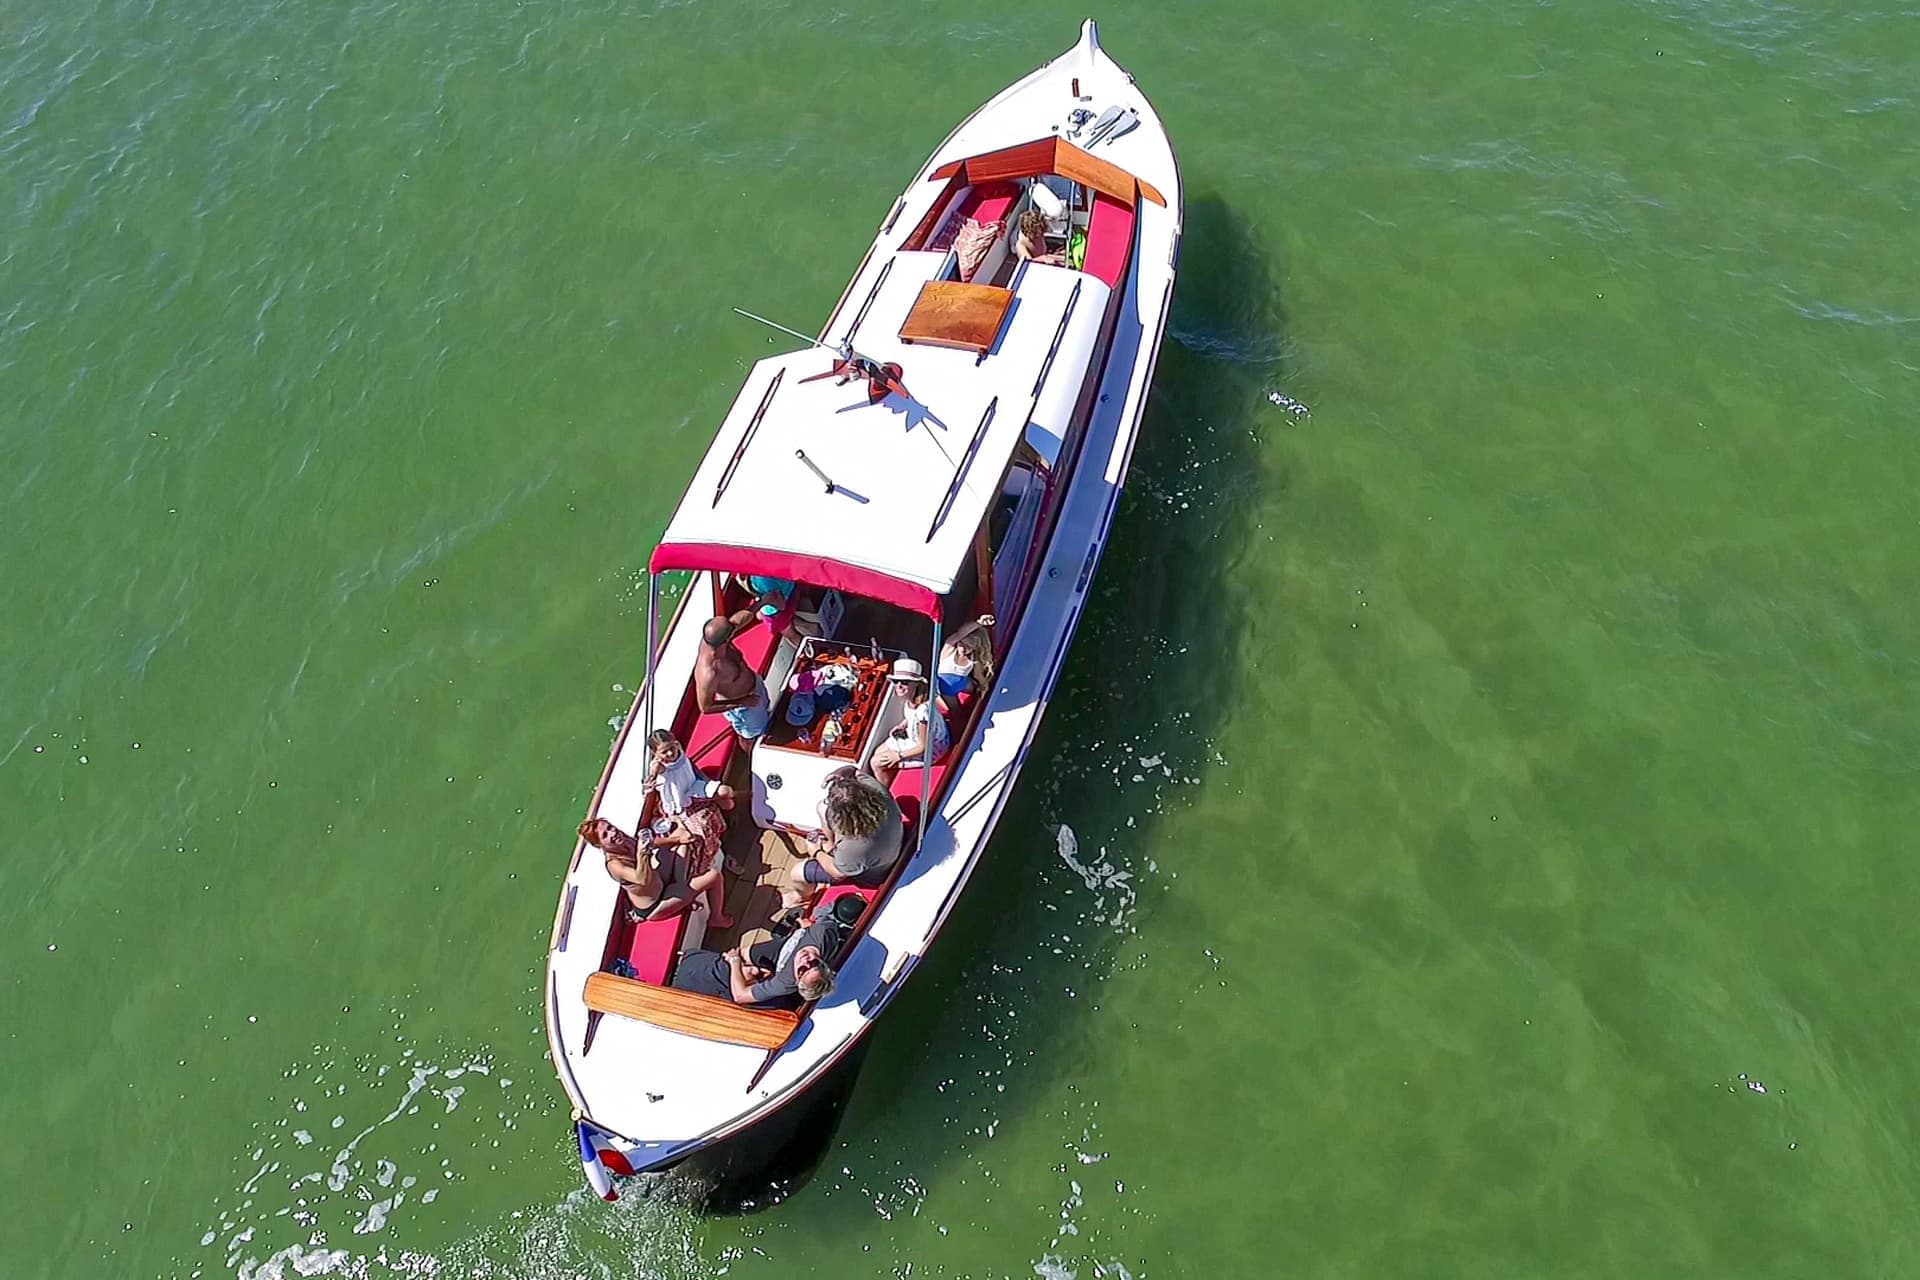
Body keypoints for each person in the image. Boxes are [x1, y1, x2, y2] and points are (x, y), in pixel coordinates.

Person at [642, 730, 734, 929]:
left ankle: (723, 842)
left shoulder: (680, 754)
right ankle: (701, 869)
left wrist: (709, 787)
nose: (670, 754)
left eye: (671, 748)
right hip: (678, 806)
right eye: (664, 752)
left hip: (693, 790)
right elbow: (652, 778)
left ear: (676, 744)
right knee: (699, 830)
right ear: (656, 754)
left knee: (727, 797)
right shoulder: (659, 766)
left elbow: (692, 769)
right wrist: (652, 775)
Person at [784, 767, 904, 910]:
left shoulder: (853, 847)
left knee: (797, 873)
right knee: (821, 808)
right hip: (893, 843)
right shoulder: (877, 792)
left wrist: (816, 851)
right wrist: (842, 772)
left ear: (843, 816)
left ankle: (801, 897)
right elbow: (853, 771)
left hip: (873, 874)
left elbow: (838, 873)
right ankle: (831, 844)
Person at [671, 916, 838, 1010]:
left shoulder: (785, 982)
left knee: (729, 967)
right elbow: (826, 916)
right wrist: (806, 927)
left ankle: (682, 973)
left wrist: (735, 961)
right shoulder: (823, 935)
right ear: (822, 962)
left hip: (780, 958)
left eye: (802, 970)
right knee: (744, 955)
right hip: (788, 944)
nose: (806, 960)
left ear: (797, 979)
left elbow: (740, 996)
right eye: (814, 963)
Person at [577, 816, 697, 924]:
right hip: (654, 905)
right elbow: (642, 879)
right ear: (599, 845)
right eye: (605, 835)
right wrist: (641, 854)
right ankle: (686, 893)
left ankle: (680, 883)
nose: (612, 833)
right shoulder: (614, 865)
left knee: (683, 839)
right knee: (707, 878)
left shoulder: (623, 839)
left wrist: (677, 839)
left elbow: (650, 843)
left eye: (610, 827)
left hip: (659, 880)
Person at [869, 658, 949, 791]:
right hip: (915, 739)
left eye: (905, 682)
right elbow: (910, 716)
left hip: (932, 752)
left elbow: (923, 747)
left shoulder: (923, 713)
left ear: (916, 684)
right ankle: (888, 779)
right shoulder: (910, 701)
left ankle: (884, 794)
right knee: (878, 751)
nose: (899, 686)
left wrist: (898, 756)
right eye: (896, 681)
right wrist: (903, 724)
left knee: (876, 763)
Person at [694, 611, 770, 740]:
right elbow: (705, 707)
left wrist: (763, 603)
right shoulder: (708, 672)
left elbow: (739, 620)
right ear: (725, 639)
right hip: (745, 707)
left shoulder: (718, 639)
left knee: (766, 712)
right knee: (750, 736)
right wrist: (742, 702)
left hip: (755, 685)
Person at [936, 614, 995, 714]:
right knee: (956, 712)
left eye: (968, 646)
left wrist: (984, 689)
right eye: (961, 644)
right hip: (947, 690)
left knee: (977, 687)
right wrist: (979, 623)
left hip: (963, 683)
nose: (963, 649)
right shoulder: (949, 649)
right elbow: (959, 634)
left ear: (974, 648)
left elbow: (979, 676)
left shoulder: (973, 659)